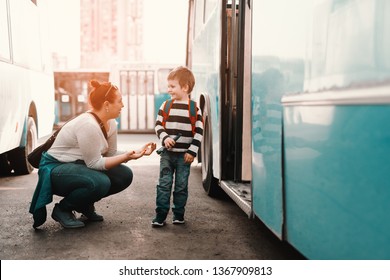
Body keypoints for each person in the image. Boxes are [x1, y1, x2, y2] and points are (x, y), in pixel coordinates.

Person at [29, 79, 156, 229]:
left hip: (77, 166)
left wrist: (136, 152)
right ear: (107, 105)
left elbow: (111, 153)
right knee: (100, 182)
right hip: (56, 169)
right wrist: (126, 156)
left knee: (124, 175)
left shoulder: (111, 123)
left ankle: (83, 204)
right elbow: (94, 163)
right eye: (120, 101)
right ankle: (63, 209)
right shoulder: (88, 124)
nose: (123, 105)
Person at [152, 66, 203, 227]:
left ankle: (178, 215)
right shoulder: (166, 106)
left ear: (185, 87)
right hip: (167, 155)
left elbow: (199, 132)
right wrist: (165, 137)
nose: (169, 90)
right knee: (164, 185)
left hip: (184, 157)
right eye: (168, 86)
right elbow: (158, 125)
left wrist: (192, 151)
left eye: (172, 86)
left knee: (181, 187)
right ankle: (160, 216)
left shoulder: (194, 108)